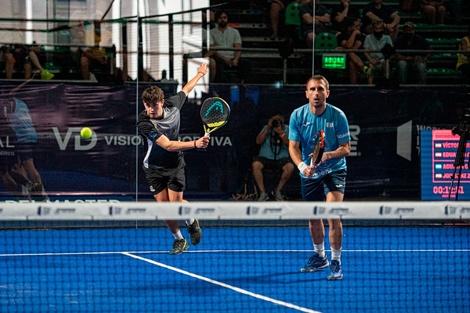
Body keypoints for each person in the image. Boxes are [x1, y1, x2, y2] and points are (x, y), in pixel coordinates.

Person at [137, 63, 210, 255]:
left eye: (153, 104)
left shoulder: (173, 106)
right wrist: (195, 144)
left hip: (174, 165)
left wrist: (200, 74)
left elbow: (186, 88)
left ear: (162, 101)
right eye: (147, 105)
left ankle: (191, 221)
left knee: (176, 205)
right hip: (152, 167)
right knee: (165, 208)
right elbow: (167, 145)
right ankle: (179, 240)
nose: (150, 109)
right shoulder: (144, 122)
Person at [288, 75, 350, 281]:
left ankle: (336, 261)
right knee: (314, 216)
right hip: (310, 172)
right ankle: (320, 256)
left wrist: (329, 155)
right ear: (307, 93)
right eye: (313, 89)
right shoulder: (297, 115)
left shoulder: (338, 116)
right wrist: (302, 166)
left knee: (333, 214)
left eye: (321, 89)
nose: (317, 93)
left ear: (327, 93)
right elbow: (293, 147)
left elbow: (346, 149)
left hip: (334, 169)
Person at [8, 97, 48, 200]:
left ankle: (42, 196)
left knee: (29, 166)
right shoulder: (22, 103)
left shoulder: (9, 103)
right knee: (19, 166)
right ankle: (27, 195)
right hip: (29, 135)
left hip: (22, 137)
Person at [252, 112, 295, 201]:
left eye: (278, 120)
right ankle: (263, 193)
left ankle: (278, 191)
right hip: (265, 157)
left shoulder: (288, 129)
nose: (276, 122)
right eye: (275, 120)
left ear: (282, 120)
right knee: (256, 165)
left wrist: (281, 133)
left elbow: (289, 144)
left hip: (282, 158)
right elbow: (258, 141)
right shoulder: (266, 128)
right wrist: (268, 127)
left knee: (290, 167)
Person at [205, 10, 251, 83]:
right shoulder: (211, 32)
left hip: (233, 58)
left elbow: (238, 47)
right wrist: (224, 59)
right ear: (217, 19)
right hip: (220, 57)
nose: (222, 19)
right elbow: (212, 49)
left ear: (227, 19)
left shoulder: (235, 32)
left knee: (246, 63)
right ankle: (219, 87)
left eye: (224, 17)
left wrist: (236, 59)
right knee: (217, 62)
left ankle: (246, 86)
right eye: (220, 18)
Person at [337, 17, 372, 84]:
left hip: (358, 56)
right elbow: (348, 45)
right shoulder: (341, 35)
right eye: (356, 26)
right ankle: (364, 69)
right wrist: (354, 33)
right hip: (344, 59)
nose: (358, 28)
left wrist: (344, 49)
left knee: (351, 62)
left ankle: (353, 85)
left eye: (359, 26)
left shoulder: (361, 35)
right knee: (349, 53)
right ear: (349, 27)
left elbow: (354, 48)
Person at [363, 19, 394, 85]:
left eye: (380, 28)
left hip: (383, 60)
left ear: (383, 29)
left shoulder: (387, 38)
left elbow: (390, 52)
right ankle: (370, 86)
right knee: (369, 66)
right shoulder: (368, 37)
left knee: (386, 64)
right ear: (373, 29)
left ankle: (385, 85)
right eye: (376, 28)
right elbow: (365, 51)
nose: (378, 30)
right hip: (371, 60)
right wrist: (370, 60)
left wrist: (383, 60)